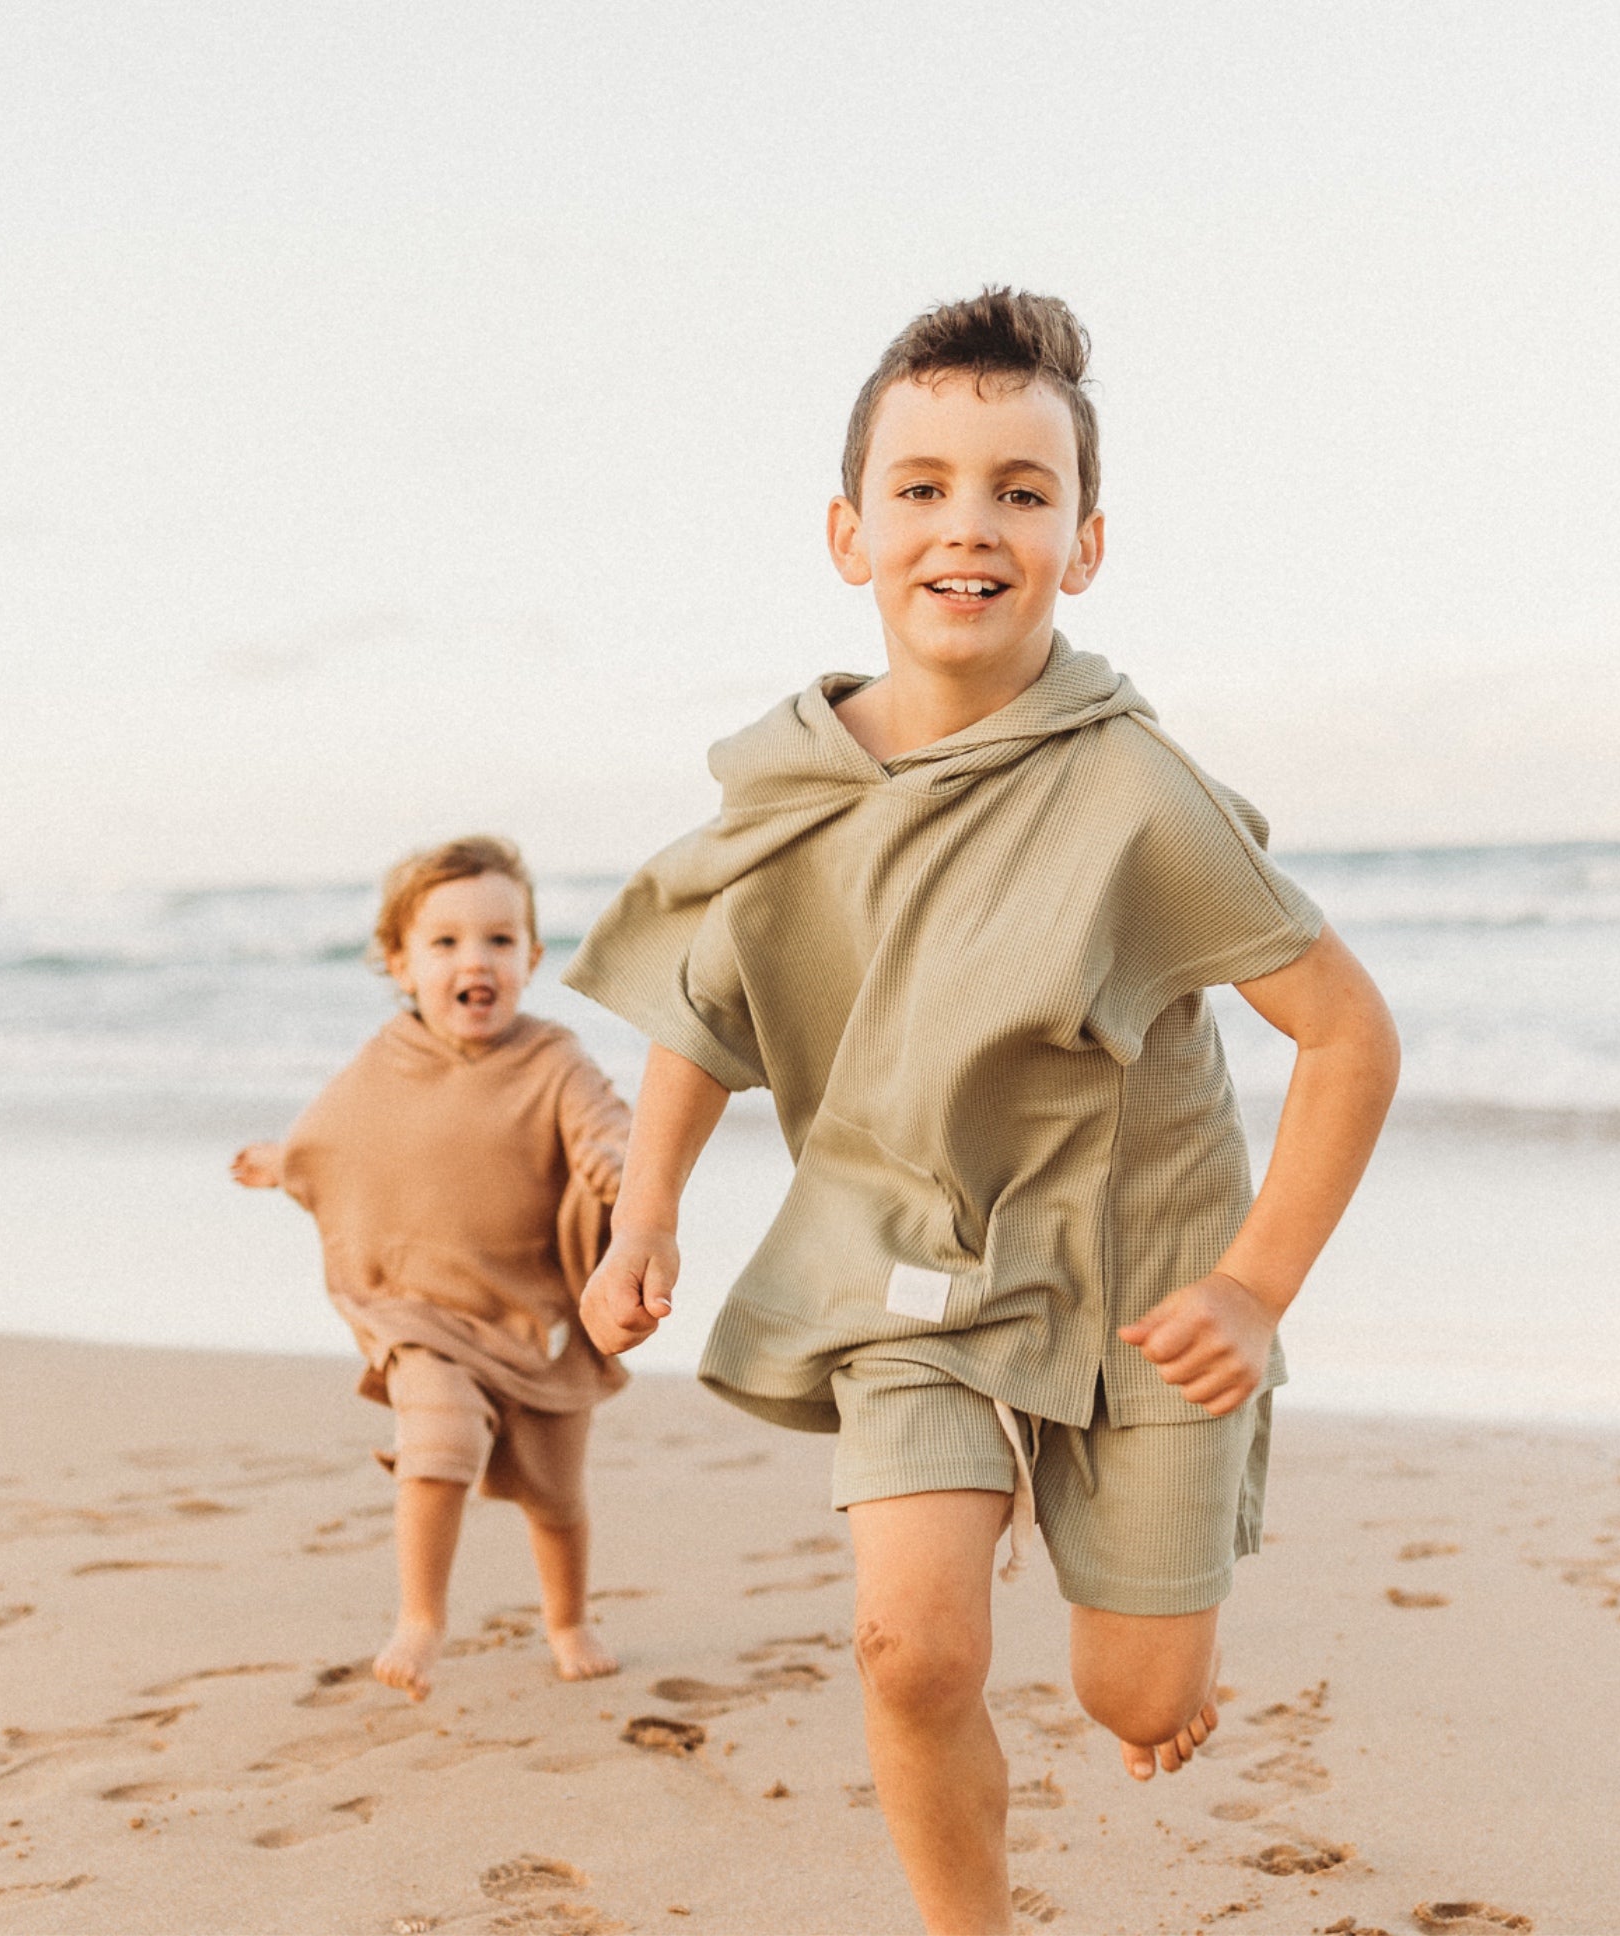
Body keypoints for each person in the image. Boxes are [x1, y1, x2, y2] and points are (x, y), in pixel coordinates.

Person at [565, 290, 1401, 1935]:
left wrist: (1253, 1284)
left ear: (1081, 543)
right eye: (925, 484)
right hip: (906, 1264)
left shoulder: (1134, 792)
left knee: (1129, 1697)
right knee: (913, 1646)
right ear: (848, 530)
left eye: (1020, 489)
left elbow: (1349, 1035)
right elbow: (702, 1007)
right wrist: (646, 1210)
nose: (970, 522)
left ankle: (1150, 1591)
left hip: (1141, 1278)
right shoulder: (787, 791)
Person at [232, 836, 630, 1699]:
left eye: (496, 939)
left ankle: (567, 1617)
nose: (472, 961)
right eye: (443, 942)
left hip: (537, 1316)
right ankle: (421, 1617)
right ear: (399, 962)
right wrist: (282, 1161)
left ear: (529, 956)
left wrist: (615, 1166)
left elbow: (606, 1127)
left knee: (557, 1498)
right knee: (437, 1439)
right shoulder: (386, 1059)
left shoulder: (553, 1060)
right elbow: (336, 1141)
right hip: (423, 1316)